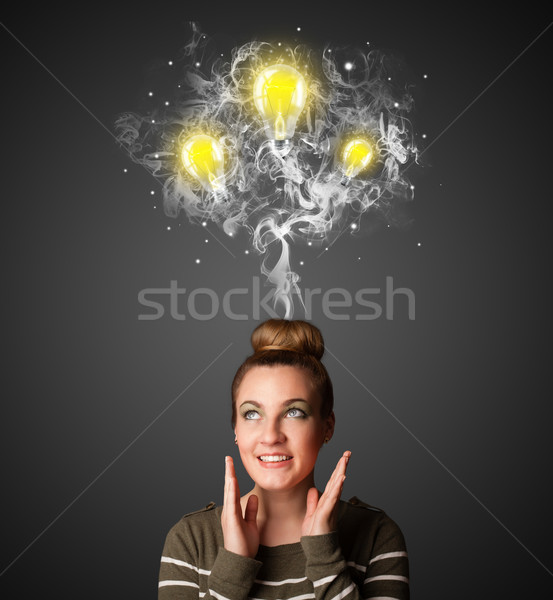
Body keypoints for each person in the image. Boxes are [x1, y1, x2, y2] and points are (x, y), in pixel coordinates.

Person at [158, 319, 409, 600]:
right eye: (252, 414)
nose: (271, 435)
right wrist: (233, 564)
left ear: (327, 427)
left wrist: (324, 554)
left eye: (294, 412)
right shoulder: (191, 539)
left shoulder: (376, 534)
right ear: (235, 429)